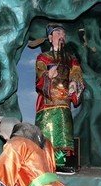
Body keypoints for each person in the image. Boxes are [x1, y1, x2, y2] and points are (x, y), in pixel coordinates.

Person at [35, 23, 85, 174]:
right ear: (50, 38)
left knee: (63, 133)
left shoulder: (70, 59)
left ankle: (61, 164)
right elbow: (40, 76)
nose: (61, 36)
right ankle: (44, 164)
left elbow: (76, 73)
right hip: (47, 102)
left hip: (64, 102)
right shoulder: (43, 57)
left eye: (63, 34)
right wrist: (47, 75)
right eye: (57, 33)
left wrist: (74, 83)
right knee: (46, 132)